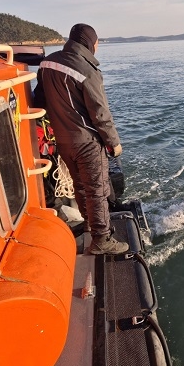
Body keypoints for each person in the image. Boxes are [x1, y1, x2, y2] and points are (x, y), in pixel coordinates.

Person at [33, 23, 128, 255]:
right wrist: (114, 143)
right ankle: (102, 239)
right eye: (96, 43)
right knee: (97, 189)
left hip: (64, 142)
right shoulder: (87, 70)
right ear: (89, 42)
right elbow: (100, 112)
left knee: (81, 186)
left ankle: (90, 225)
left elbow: (40, 100)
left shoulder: (47, 63)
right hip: (87, 141)